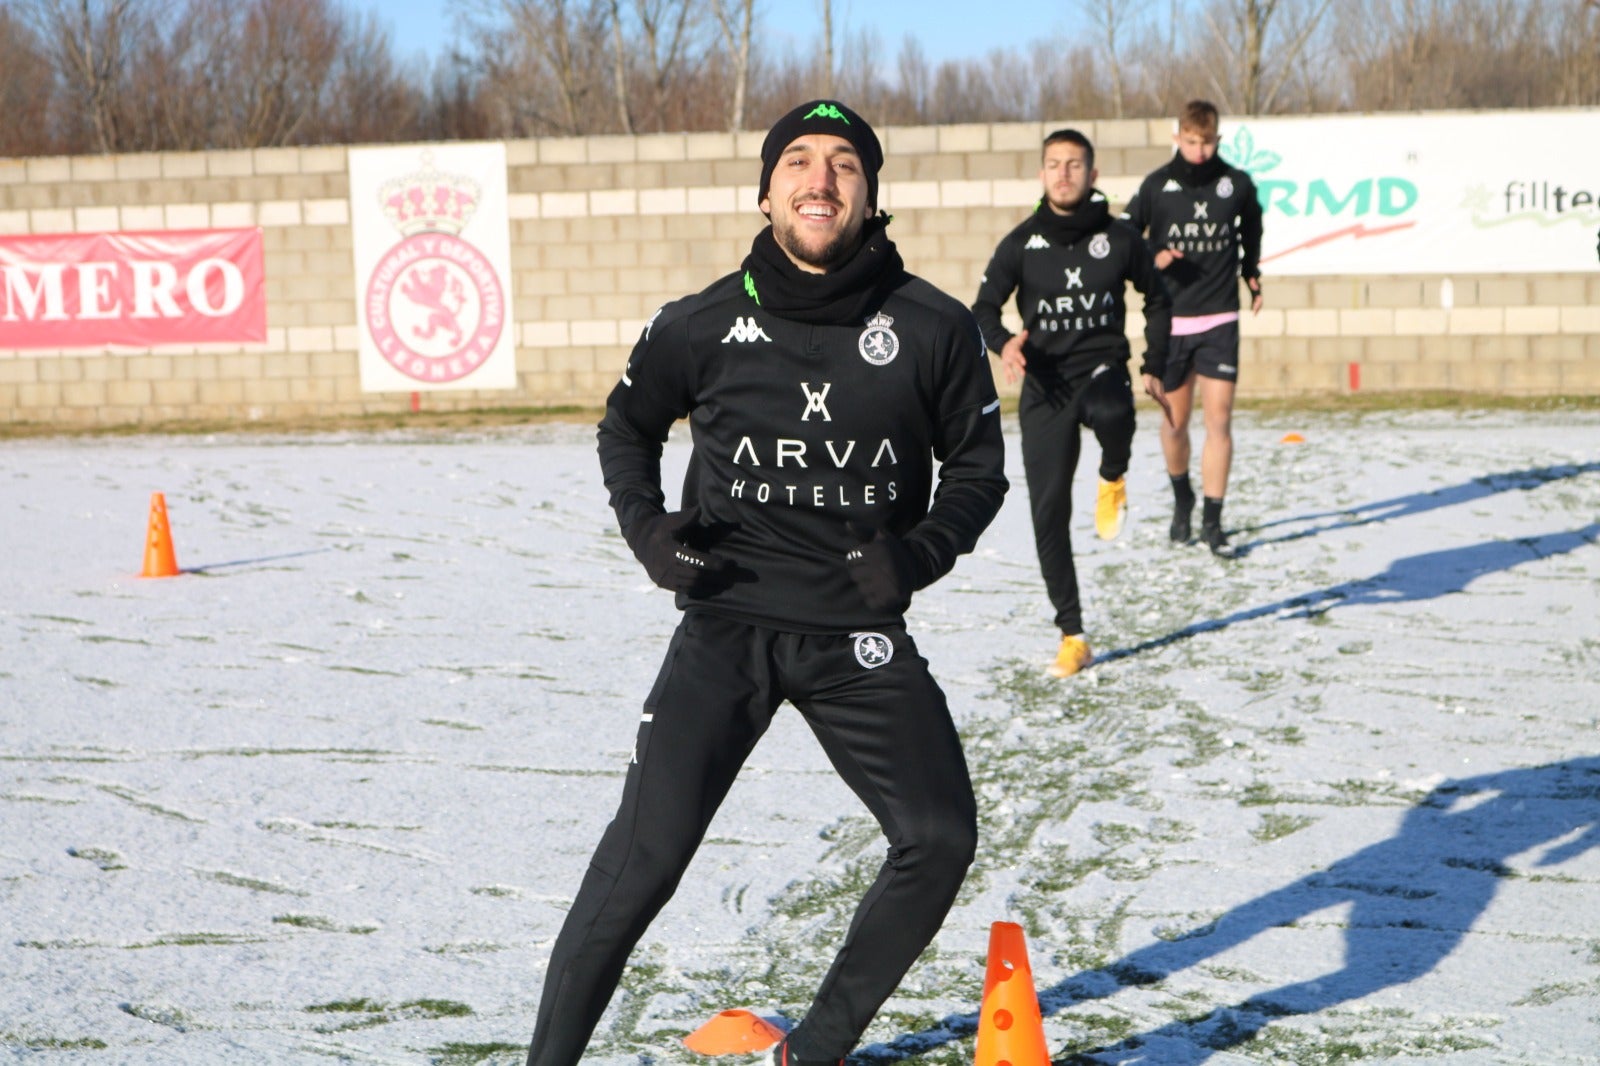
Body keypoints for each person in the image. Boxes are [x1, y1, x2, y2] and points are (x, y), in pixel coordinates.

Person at [523, 100, 1008, 1066]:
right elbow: (625, 430)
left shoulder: (934, 328)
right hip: (726, 627)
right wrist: (651, 533)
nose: (819, 180)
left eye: (843, 165)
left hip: (852, 635)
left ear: (872, 197)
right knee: (641, 866)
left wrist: (916, 555)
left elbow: (978, 469)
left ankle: (813, 1052)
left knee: (940, 836)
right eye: (798, 161)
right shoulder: (698, 323)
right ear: (765, 190)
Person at [972, 128, 1171, 678]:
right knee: (1048, 513)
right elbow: (983, 307)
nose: (1064, 173)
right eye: (1054, 164)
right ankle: (1072, 633)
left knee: (1113, 413)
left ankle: (1113, 476)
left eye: (1075, 164)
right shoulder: (1021, 243)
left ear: (1093, 175)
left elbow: (1158, 296)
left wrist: (1154, 362)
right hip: (1045, 386)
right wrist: (1003, 341)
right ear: (1042, 175)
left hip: (1102, 369)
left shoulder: (1121, 237)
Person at [1120, 99, 1263, 556]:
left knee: (1219, 419)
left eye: (1206, 142)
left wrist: (1251, 271)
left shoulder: (1235, 184)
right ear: (1177, 138)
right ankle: (1183, 497)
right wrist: (1152, 256)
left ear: (1217, 140)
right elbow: (1125, 235)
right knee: (1175, 422)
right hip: (1172, 319)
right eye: (1191, 141)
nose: (1199, 151)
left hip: (1220, 315)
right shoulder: (1157, 186)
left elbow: (1252, 229)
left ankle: (1213, 519)